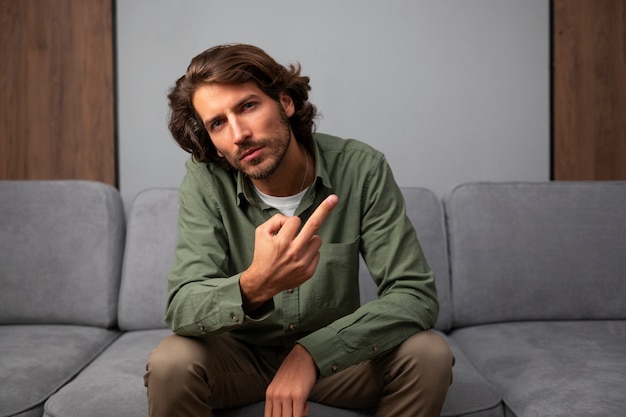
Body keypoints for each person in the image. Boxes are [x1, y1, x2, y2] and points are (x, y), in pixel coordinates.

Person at [144, 43, 453, 417]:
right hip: (240, 360)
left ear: (285, 103)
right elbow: (182, 305)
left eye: (247, 106)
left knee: (429, 355)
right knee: (171, 362)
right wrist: (255, 284)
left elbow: (414, 294)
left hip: (337, 361)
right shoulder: (205, 181)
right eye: (218, 123)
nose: (239, 133)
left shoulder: (361, 169)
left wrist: (312, 355)